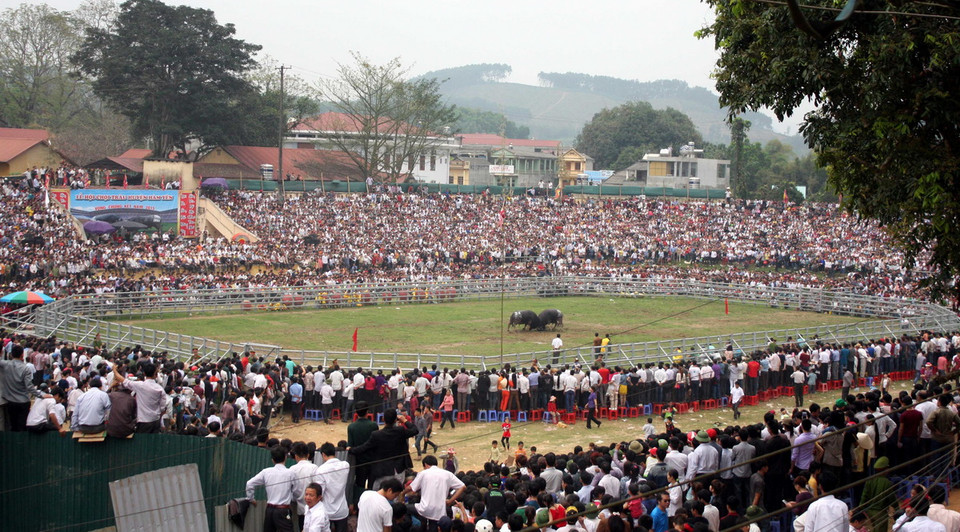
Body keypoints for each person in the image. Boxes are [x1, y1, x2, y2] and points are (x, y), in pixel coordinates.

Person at [349, 409, 418, 489]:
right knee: (395, 494)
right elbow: (415, 430)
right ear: (396, 420)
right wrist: (405, 420)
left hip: (382, 471)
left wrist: (351, 449)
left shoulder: (377, 435)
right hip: (398, 469)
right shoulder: (400, 431)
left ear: (383, 419)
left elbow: (364, 447)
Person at [403, 455, 467, 532]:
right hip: (439, 510)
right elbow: (462, 487)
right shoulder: (447, 474)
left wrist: (402, 493)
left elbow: (411, 488)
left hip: (424, 508)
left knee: (403, 508)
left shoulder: (424, 473)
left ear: (426, 465)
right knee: (432, 527)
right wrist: (450, 501)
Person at [246, 446, 298, 532]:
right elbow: (295, 491)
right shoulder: (291, 473)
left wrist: (251, 498)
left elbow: (249, 483)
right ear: (285, 457)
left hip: (269, 510)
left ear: (272, 460)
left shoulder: (266, 472)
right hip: (283, 510)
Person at [114, 362, 166, 433]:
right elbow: (163, 408)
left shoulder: (140, 385)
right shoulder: (160, 389)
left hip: (143, 421)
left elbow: (123, 381)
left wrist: (114, 370)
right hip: (155, 420)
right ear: (156, 375)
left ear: (144, 374)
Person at [0, 344, 42, 431]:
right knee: (23, 426)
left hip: (10, 401)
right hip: (23, 402)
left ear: (11, 354)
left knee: (13, 425)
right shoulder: (25, 369)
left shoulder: (5, 364)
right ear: (22, 355)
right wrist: (40, 395)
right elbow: (29, 387)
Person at [316, 442, 350, 532]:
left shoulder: (320, 470)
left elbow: (320, 493)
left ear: (323, 454)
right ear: (334, 453)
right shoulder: (345, 465)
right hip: (342, 510)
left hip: (327, 511)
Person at [291, 442, 320, 529]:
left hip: (300, 508)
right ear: (308, 455)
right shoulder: (314, 467)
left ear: (296, 456)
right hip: (313, 508)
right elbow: (317, 486)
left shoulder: (292, 469)